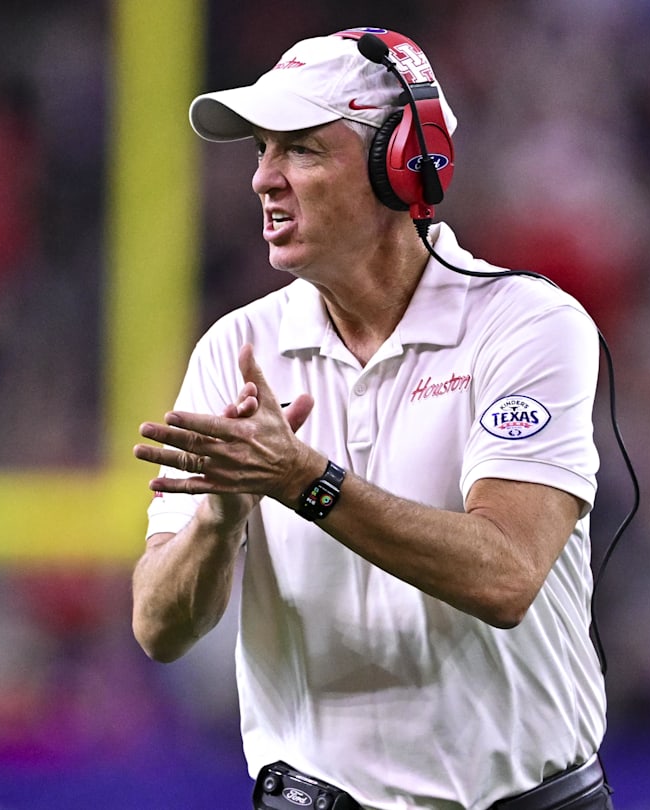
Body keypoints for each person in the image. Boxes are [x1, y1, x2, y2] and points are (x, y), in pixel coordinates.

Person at [132, 26, 614, 810]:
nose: (263, 179)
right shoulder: (236, 349)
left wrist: (304, 480)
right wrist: (217, 524)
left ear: (403, 164)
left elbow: (506, 574)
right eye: (260, 150)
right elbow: (158, 629)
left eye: (300, 149)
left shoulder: (525, 324)